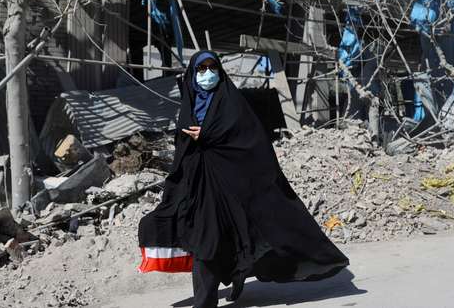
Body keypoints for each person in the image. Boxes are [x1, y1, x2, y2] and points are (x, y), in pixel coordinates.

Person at [138, 50, 349, 308]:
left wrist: (209, 136)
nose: (207, 74)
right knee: (207, 241)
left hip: (234, 187)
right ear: (192, 75)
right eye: (201, 69)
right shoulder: (189, 106)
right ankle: (210, 297)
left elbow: (251, 141)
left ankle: (222, 288)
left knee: (232, 240)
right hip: (202, 190)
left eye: (211, 67)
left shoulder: (232, 104)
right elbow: (183, 152)